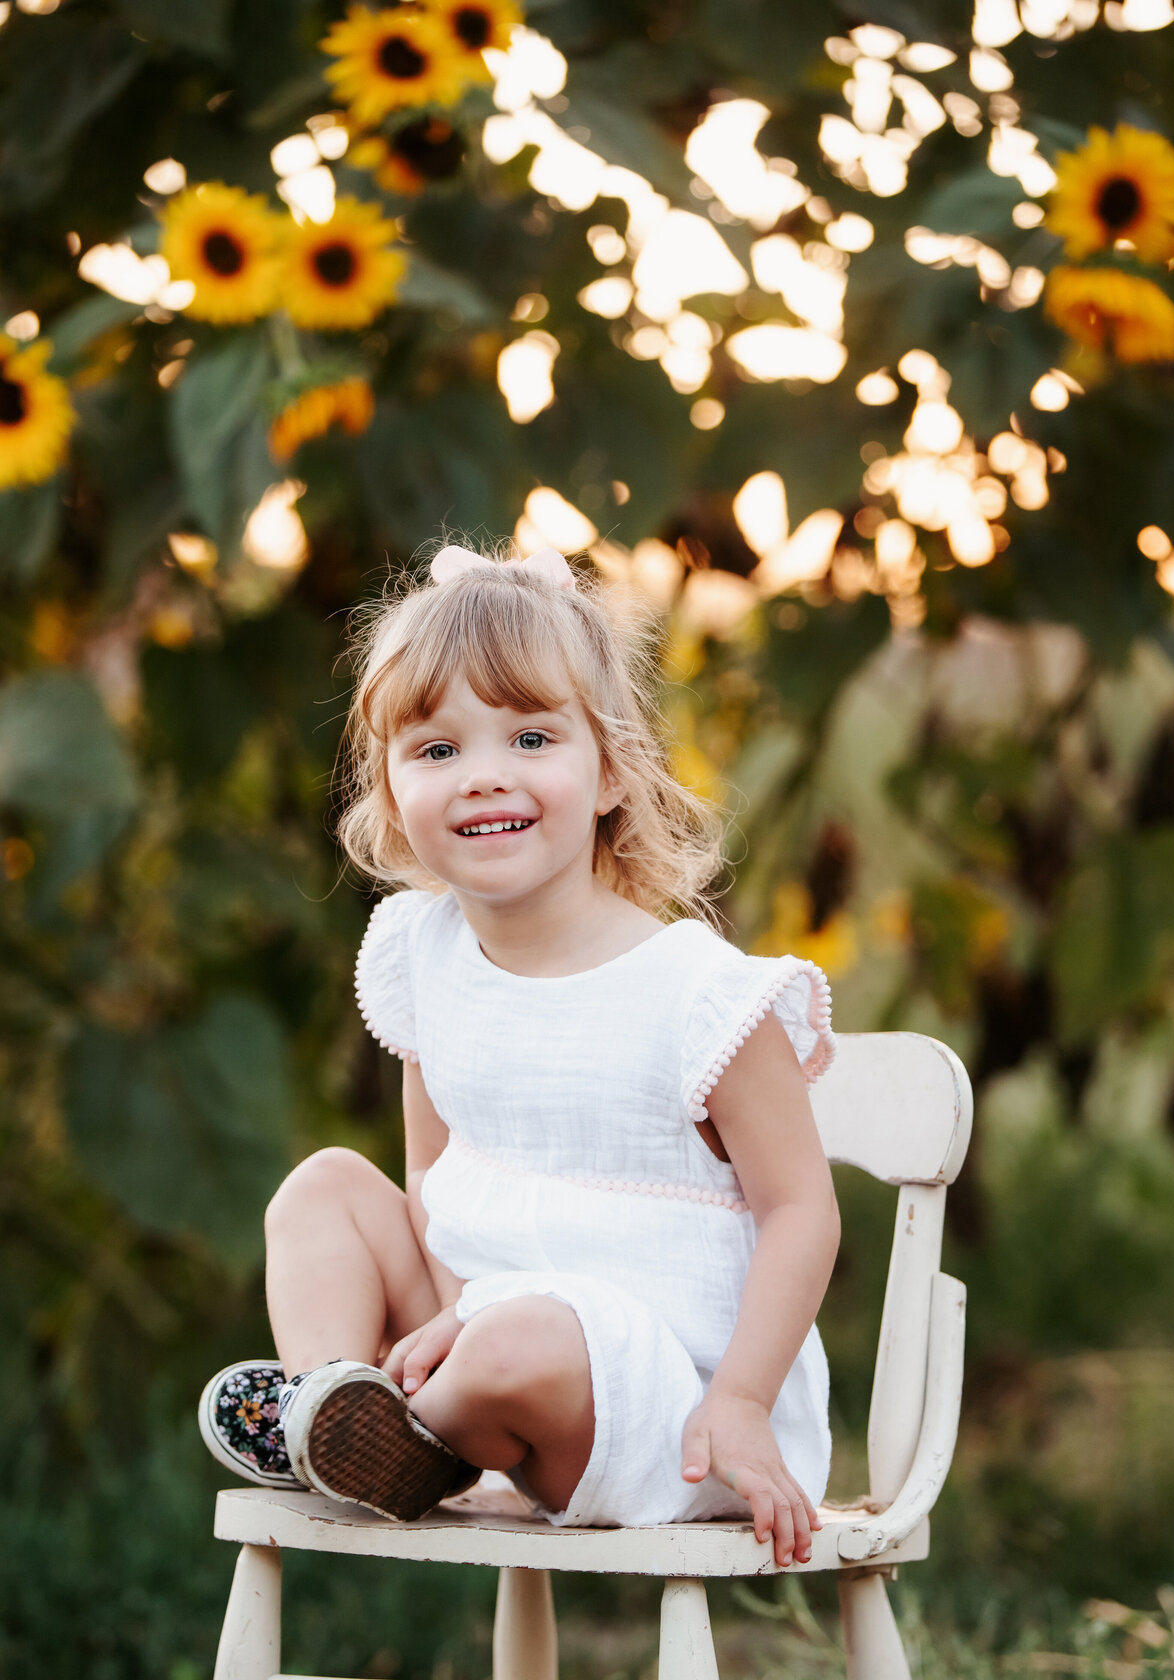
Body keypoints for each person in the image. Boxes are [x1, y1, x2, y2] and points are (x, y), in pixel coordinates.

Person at [199, 542, 840, 1568]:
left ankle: (415, 1436)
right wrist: (456, 1308)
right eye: (437, 750)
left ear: (611, 771)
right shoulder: (423, 951)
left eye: (531, 736)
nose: (483, 775)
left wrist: (743, 1399)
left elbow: (802, 1210)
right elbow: (432, 1184)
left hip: (670, 1403)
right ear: (392, 786)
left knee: (522, 1338)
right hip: (481, 1333)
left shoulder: (700, 995)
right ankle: (339, 1414)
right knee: (321, 1190)